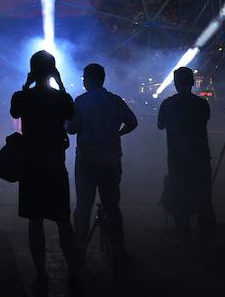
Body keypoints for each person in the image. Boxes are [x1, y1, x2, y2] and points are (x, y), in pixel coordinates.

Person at [11, 51, 80, 291]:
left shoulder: (22, 96)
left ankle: (41, 273)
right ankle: (73, 273)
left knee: (35, 221)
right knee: (63, 221)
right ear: (53, 70)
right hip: (55, 163)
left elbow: (14, 112)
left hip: (31, 165)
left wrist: (27, 83)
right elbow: (70, 116)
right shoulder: (62, 98)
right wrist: (60, 84)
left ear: (32, 70)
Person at [67, 63, 138, 264]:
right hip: (111, 160)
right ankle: (118, 251)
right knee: (112, 206)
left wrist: (65, 123)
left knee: (83, 206)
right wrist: (118, 134)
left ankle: (79, 251)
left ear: (88, 79)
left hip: (87, 161)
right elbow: (132, 122)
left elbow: (72, 129)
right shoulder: (114, 100)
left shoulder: (80, 101)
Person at [157, 66, 216, 244]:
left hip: (177, 158)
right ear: (191, 83)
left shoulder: (167, 104)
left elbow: (160, 125)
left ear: (175, 84)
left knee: (180, 195)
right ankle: (207, 236)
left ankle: (183, 235)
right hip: (200, 156)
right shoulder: (201, 104)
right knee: (204, 196)